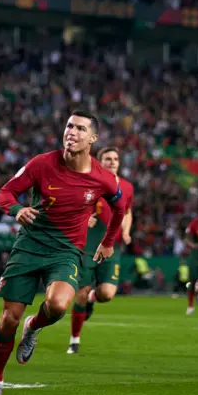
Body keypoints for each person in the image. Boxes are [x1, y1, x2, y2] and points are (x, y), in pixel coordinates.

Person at [0, 111, 126, 395]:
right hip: (29, 245)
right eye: (69, 126)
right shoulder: (42, 163)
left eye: (81, 128)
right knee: (9, 319)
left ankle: (33, 326)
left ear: (93, 139)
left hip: (66, 250)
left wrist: (109, 242)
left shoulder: (103, 178)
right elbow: (5, 193)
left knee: (58, 305)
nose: (72, 131)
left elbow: (120, 208)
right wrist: (16, 210)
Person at [67, 147, 135, 354]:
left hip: (111, 247)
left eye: (115, 159)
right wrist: (83, 218)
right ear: (100, 161)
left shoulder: (127, 186)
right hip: (87, 247)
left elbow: (128, 211)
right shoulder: (88, 181)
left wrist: (126, 230)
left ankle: (91, 300)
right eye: (108, 159)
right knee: (80, 294)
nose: (112, 162)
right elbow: (73, 206)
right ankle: (74, 341)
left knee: (106, 294)